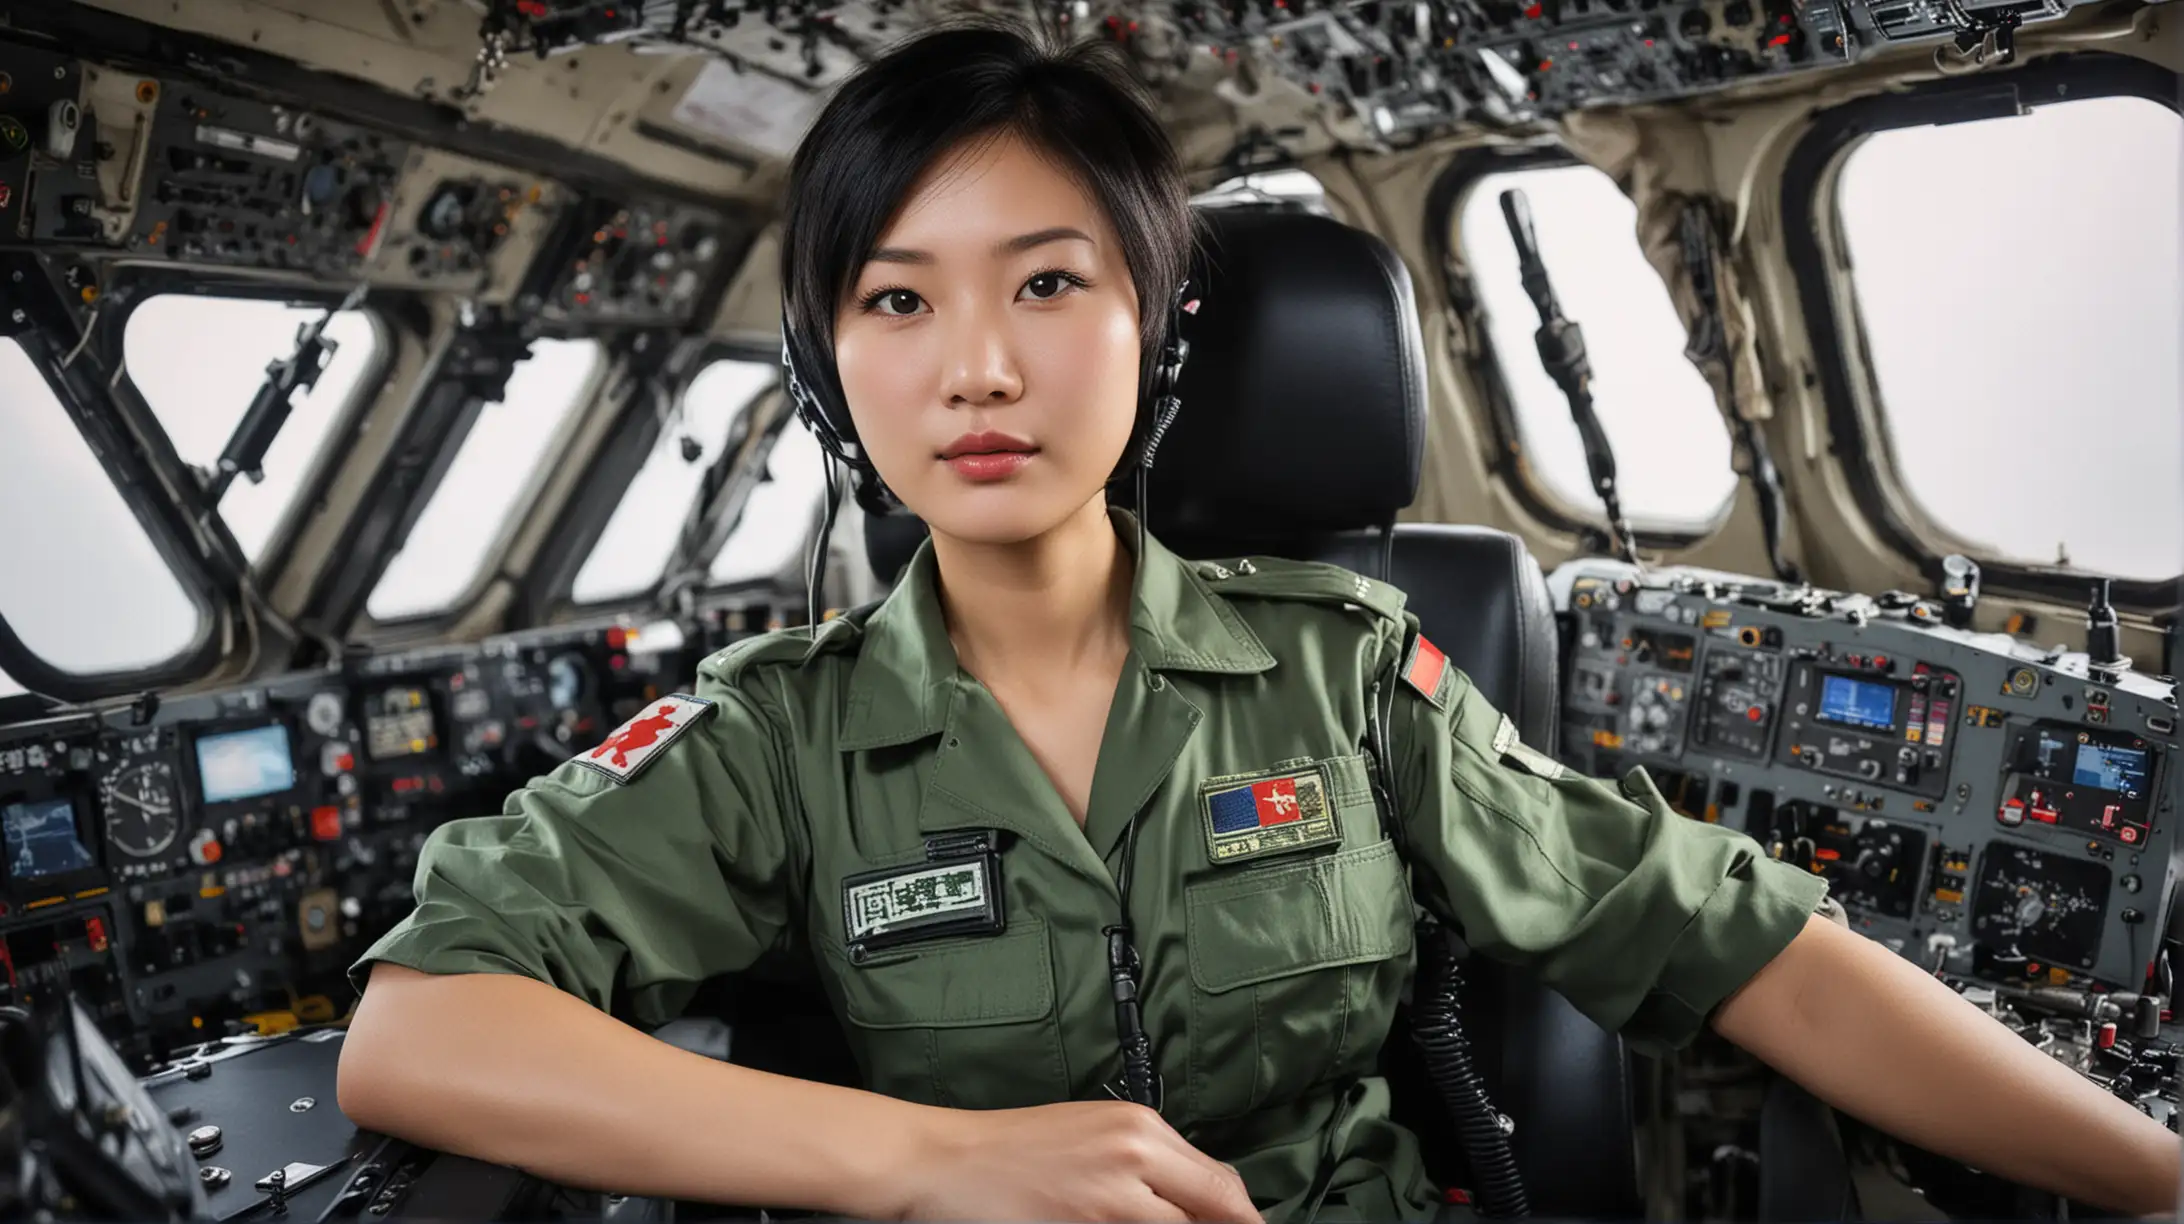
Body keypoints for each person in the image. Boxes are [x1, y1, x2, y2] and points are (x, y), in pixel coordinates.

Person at [335, 18, 2181, 1223]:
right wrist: (928, 1163)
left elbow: (1723, 940)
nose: (977, 366)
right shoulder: (770, 738)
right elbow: (420, 1031)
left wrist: (2157, 1182)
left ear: (1158, 341)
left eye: (1049, 283)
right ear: (830, 381)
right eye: (895, 305)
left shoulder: (1349, 666)